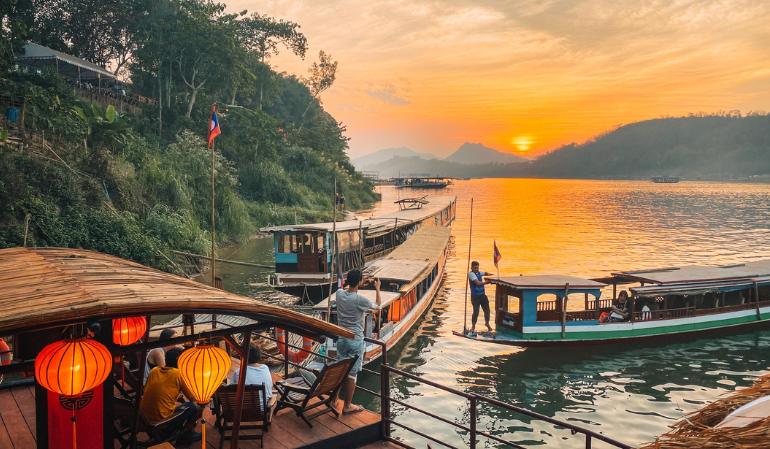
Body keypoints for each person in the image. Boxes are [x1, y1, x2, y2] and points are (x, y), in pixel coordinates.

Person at [335, 269, 381, 414]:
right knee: (352, 375)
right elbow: (378, 307)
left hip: (342, 339)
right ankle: (347, 406)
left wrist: (360, 280)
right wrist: (377, 289)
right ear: (360, 282)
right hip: (355, 341)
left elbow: (341, 286)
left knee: (340, 370)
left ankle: (333, 399)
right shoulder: (360, 300)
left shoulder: (339, 294)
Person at [139, 348, 200, 443]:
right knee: (195, 407)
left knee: (180, 405)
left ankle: (183, 433)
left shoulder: (155, 370)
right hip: (161, 422)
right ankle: (186, 434)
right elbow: (192, 398)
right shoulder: (178, 374)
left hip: (144, 419)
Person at [468, 261, 493, 335]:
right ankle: (473, 326)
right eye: (475, 268)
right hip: (475, 297)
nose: (476, 269)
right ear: (471, 267)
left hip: (482, 296)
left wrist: (491, 275)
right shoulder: (471, 274)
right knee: (476, 312)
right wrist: (487, 282)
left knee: (487, 310)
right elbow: (478, 283)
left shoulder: (479, 272)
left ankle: (487, 323)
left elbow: (485, 273)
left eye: (477, 267)